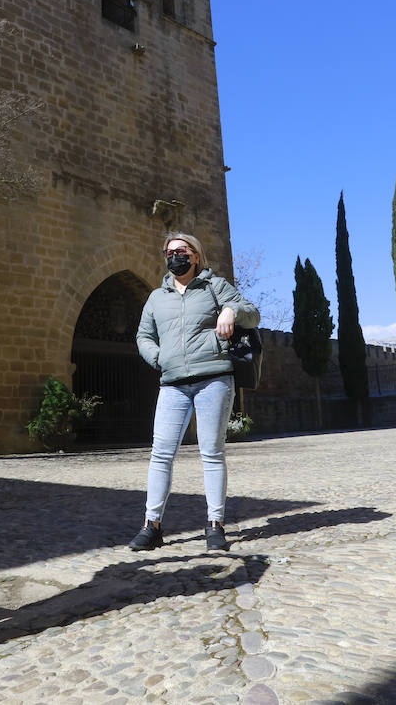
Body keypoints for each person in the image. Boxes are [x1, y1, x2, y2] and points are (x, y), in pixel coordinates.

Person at [130, 233, 259, 553]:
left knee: (211, 453)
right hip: (173, 384)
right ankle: (152, 525)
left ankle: (215, 525)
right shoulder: (157, 298)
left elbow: (252, 313)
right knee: (160, 453)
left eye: (182, 251)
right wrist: (157, 357)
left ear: (196, 256)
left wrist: (231, 311)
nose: (175, 256)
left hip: (213, 379)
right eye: (169, 252)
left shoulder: (215, 286)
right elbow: (143, 335)